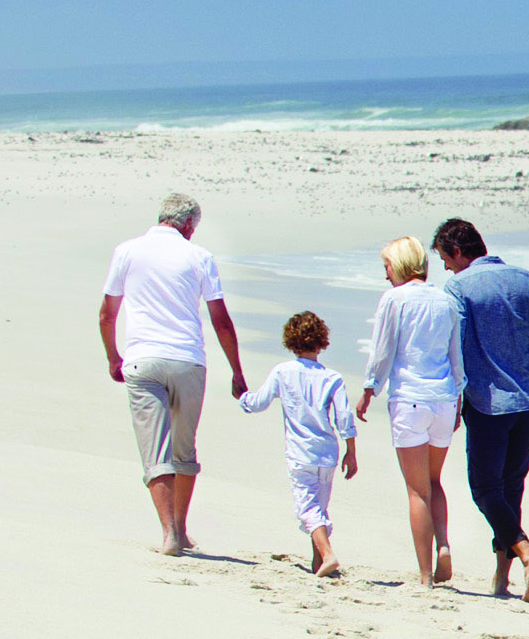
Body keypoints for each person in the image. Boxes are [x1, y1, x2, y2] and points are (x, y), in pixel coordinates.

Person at [434, 217, 529, 603]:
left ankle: (525, 552)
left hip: (488, 406)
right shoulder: (528, 280)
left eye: (445, 259)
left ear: (457, 252)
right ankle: (502, 579)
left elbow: (457, 348)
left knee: (485, 490)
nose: (445, 268)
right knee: (510, 490)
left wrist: (453, 404)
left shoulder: (458, 287)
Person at [98, 192, 246, 555]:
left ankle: (168, 534)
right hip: (187, 360)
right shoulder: (199, 256)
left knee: (155, 451)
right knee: (183, 448)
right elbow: (221, 320)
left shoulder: (127, 250)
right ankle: (180, 529)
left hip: (142, 359)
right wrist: (236, 371)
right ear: (189, 225)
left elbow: (107, 313)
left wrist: (113, 357)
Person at [355, 235, 467, 588]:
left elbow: (383, 349)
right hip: (444, 399)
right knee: (434, 482)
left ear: (400, 265)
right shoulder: (445, 300)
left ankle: (424, 576)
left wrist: (369, 389)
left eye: (387, 266)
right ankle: (444, 545)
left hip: (410, 399)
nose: (385, 275)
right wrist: (458, 397)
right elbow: (456, 356)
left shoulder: (394, 299)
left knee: (416, 490)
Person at [239, 310, 360, 576]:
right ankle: (319, 563)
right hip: (327, 452)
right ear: (322, 341)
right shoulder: (332, 377)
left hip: (300, 451)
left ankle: (327, 556)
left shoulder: (283, 372)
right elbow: (344, 418)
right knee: (319, 507)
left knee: (307, 509)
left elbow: (259, 402)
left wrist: (243, 399)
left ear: (291, 340)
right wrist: (351, 453)